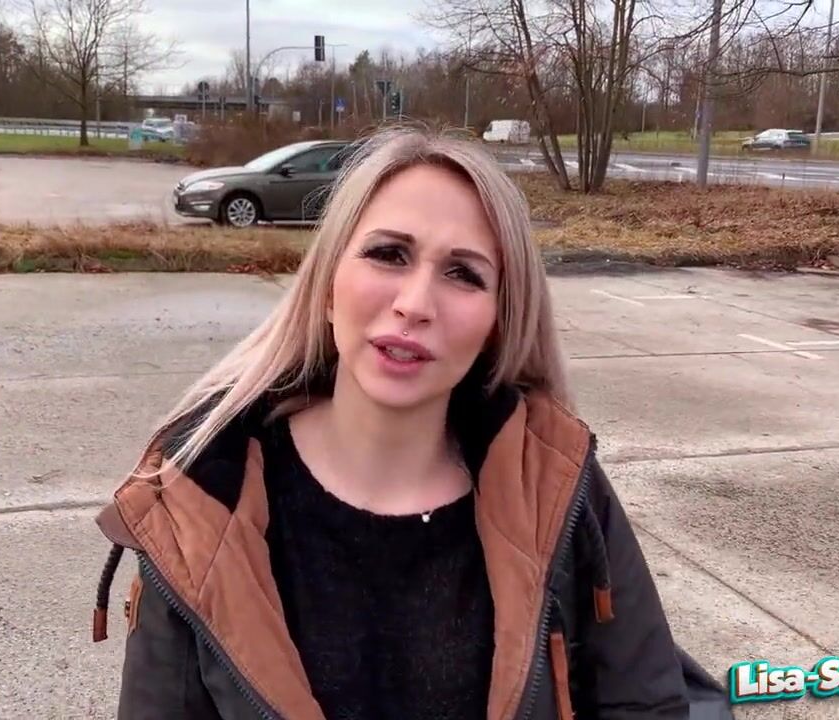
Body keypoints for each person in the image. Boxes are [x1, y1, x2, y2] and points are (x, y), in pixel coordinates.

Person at [91, 126, 731, 719]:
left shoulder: (554, 483)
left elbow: (645, 705)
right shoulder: (200, 496)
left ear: (499, 321)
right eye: (389, 254)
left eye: (463, 274)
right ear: (328, 284)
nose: (416, 303)